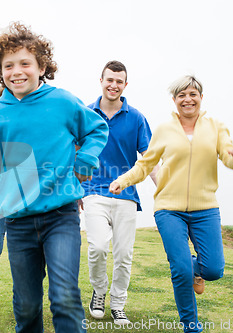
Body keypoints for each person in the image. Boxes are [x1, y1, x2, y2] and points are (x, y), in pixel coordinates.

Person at [0, 22, 109, 333]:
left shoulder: (63, 102)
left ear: (41, 67)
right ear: (0, 72)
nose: (17, 71)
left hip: (60, 217)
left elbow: (97, 128)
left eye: (25, 63)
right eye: (8, 65)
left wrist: (85, 159)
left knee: (64, 296)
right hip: (19, 222)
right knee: (26, 307)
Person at [110, 75, 233, 333]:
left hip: (205, 208)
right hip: (168, 209)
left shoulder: (216, 126)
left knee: (214, 269)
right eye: (181, 95)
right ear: (174, 100)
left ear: (201, 98)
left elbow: (228, 157)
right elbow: (146, 164)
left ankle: (197, 270)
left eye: (192, 94)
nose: (187, 99)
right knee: (180, 270)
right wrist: (123, 181)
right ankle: (191, 327)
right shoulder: (163, 130)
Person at [81, 60, 157, 325]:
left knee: (124, 255)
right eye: (109, 80)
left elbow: (149, 158)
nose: (113, 85)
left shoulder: (136, 118)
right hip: (93, 191)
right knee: (98, 246)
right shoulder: (86, 114)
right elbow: (73, 152)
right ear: (101, 81)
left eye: (119, 81)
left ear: (125, 85)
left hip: (126, 195)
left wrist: (165, 189)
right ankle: (99, 292)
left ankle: (119, 304)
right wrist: (75, 189)